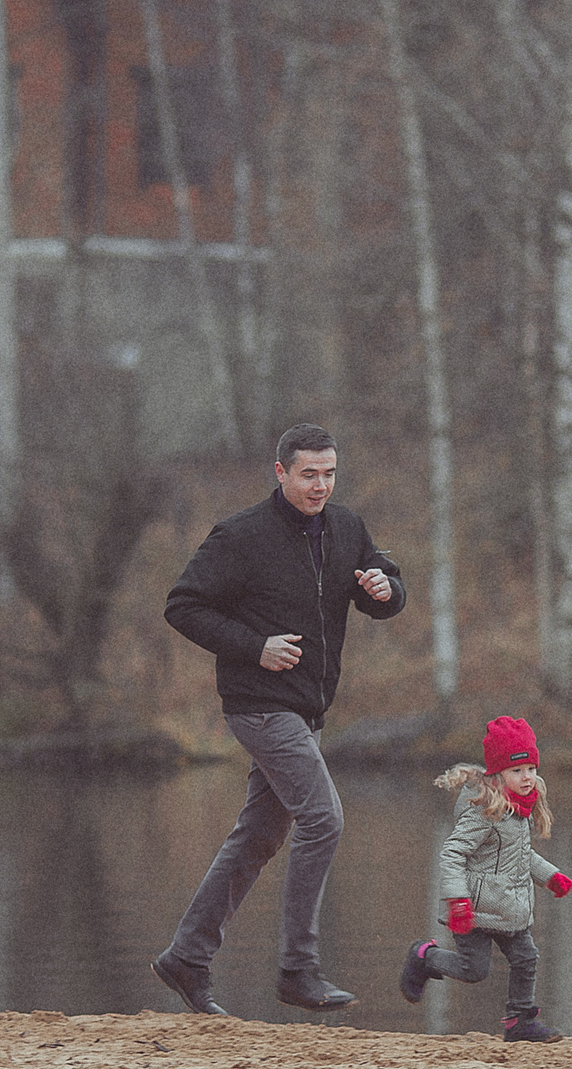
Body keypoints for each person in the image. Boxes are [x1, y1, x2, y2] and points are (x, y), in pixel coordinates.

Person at [154, 423, 406, 1016]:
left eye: (329, 474)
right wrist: (254, 646)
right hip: (258, 705)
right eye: (308, 474)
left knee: (261, 834)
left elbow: (388, 593)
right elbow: (182, 606)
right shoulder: (241, 537)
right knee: (322, 818)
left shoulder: (346, 528)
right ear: (280, 473)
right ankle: (298, 969)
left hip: (307, 708)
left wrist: (384, 588)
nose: (321, 485)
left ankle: (186, 957)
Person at [398, 716, 572, 1043]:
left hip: (508, 907)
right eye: (517, 771)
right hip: (473, 911)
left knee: (526, 957)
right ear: (498, 774)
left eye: (531, 769)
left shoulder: (520, 808)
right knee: (474, 971)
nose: (527, 778)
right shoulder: (485, 812)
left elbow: (521, 856)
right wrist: (458, 901)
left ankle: (519, 1021)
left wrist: (550, 877)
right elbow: (451, 853)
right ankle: (424, 957)